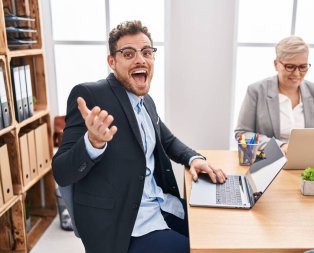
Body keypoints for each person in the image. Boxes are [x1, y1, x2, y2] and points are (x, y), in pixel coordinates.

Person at [52, 20, 227, 253]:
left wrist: (195, 159)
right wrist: (93, 143)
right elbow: (62, 171)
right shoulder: (91, 94)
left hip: (159, 205)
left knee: (218, 234)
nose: (140, 59)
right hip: (124, 225)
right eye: (128, 53)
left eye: (147, 52)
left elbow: (168, 141)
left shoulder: (146, 102)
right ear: (112, 62)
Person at [234, 35, 314, 154]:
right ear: (276, 64)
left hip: (307, 162)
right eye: (290, 67)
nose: (297, 73)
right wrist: (280, 146)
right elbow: (242, 133)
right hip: (268, 161)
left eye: (303, 67)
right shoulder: (256, 91)